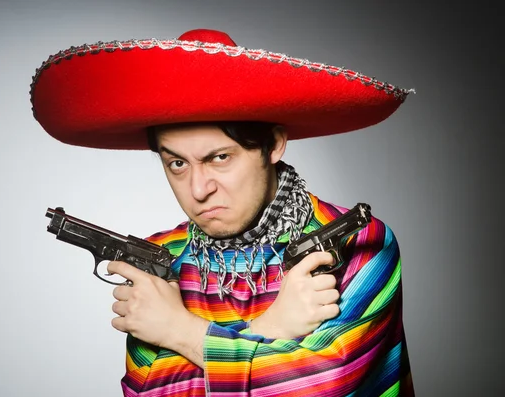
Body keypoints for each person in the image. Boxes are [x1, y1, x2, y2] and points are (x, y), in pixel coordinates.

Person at [30, 28, 415, 396]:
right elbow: (147, 392)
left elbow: (324, 387)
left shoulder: (355, 240)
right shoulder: (160, 259)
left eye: (219, 158)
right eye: (177, 164)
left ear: (274, 145)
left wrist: (180, 332)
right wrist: (272, 328)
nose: (198, 189)